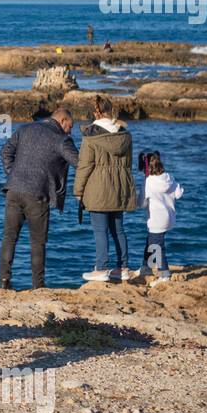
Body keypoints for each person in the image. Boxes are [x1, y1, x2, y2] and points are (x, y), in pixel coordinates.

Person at [0, 107, 79, 290]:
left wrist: (13, 174)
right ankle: (38, 285)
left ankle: (4, 281)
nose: (70, 131)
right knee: (38, 242)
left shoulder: (25, 128)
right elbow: (80, 163)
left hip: (13, 189)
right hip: (38, 194)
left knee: (9, 237)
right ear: (63, 121)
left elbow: (5, 151)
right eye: (70, 126)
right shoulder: (62, 139)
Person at [74, 95, 136, 282]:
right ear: (111, 110)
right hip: (120, 186)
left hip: (98, 188)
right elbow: (128, 164)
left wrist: (78, 191)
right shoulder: (125, 135)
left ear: (96, 112)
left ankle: (101, 268)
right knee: (118, 229)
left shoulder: (90, 136)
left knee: (100, 230)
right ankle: (122, 268)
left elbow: (85, 166)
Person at [138, 151, 183, 286]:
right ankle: (146, 267)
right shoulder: (169, 177)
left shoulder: (148, 182)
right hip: (169, 217)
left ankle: (164, 275)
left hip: (156, 220)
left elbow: (141, 204)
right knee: (151, 241)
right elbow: (179, 193)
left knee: (157, 247)